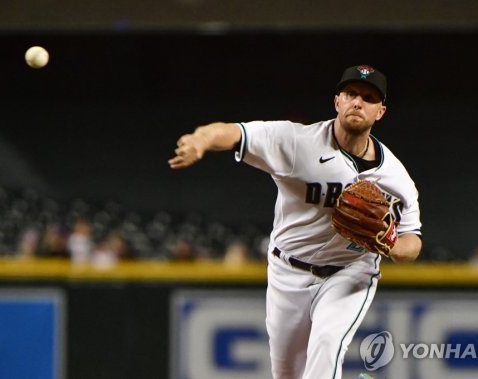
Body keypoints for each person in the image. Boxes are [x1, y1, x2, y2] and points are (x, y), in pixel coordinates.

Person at [168, 65, 422, 379]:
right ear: (337, 101)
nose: (358, 102)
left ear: (380, 112)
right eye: (352, 94)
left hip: (350, 271)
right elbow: (234, 133)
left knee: (328, 343)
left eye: (369, 98)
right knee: (286, 372)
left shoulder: (396, 178)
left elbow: (413, 241)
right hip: (288, 270)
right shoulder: (297, 142)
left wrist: (395, 245)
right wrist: (201, 139)